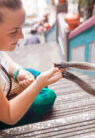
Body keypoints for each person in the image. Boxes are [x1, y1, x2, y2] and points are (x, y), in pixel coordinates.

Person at [0, 0, 63, 129]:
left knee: (33, 75)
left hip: (5, 85)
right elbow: (9, 116)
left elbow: (3, 57)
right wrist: (38, 84)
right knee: (48, 96)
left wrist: (18, 71)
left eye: (21, 28)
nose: (22, 36)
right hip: (5, 116)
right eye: (13, 32)